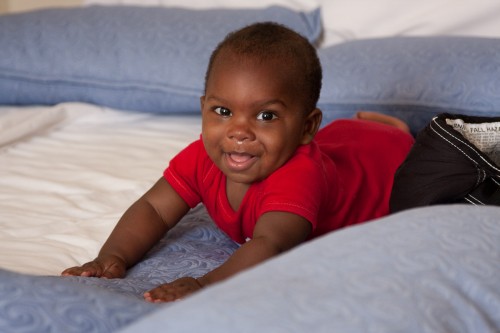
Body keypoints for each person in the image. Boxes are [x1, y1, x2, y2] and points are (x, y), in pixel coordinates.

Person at [62, 22, 415, 302]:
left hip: (382, 158)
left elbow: (270, 245)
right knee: (339, 142)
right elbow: (155, 207)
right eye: (223, 111)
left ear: (307, 126)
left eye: (266, 115)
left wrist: (204, 283)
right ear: (203, 109)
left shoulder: (299, 175)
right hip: (337, 143)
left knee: (379, 149)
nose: (239, 131)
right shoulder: (202, 155)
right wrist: (112, 257)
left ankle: (382, 125)